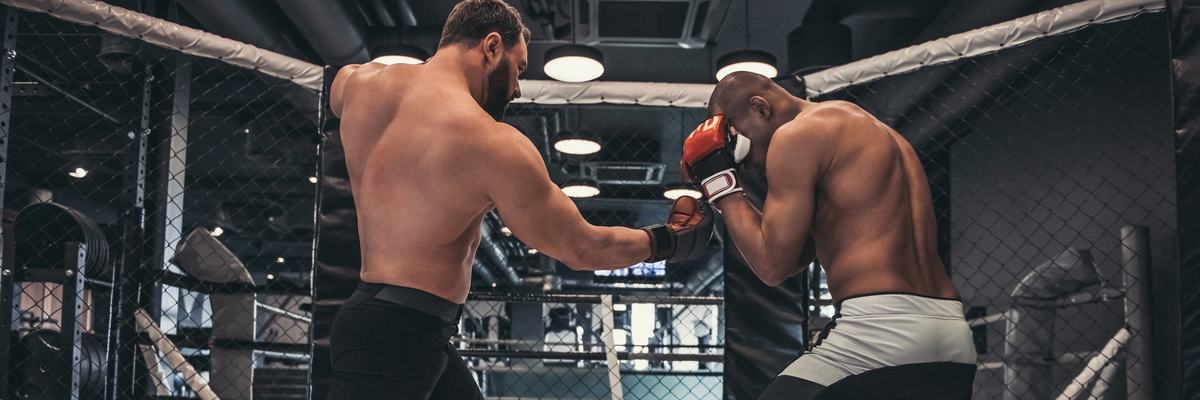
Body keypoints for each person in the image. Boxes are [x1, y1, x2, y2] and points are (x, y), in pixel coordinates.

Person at [324, 1, 712, 399]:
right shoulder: (490, 142)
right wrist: (666, 241)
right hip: (400, 335)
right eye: (520, 67)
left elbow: (334, 91)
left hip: (391, 321)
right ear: (491, 47)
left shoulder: (359, 83)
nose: (518, 87)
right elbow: (583, 247)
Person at [681, 72, 977, 399]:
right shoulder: (877, 134)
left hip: (878, 333)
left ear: (760, 108)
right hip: (952, 334)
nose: (746, 163)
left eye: (739, 142)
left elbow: (771, 267)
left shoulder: (796, 135)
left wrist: (720, 185)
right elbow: (791, 258)